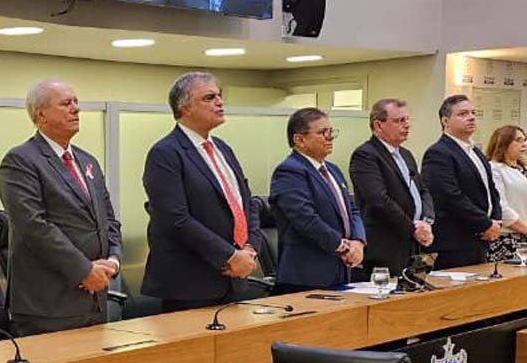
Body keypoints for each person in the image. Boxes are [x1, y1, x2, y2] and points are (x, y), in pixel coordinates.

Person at [0, 80, 121, 336]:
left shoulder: (87, 161)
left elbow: (107, 218)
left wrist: (113, 260)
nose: (75, 109)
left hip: (95, 297)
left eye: (76, 102)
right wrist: (83, 270)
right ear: (40, 114)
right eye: (66, 103)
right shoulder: (21, 160)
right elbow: (33, 226)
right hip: (48, 304)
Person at [141, 72, 261, 311]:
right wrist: (229, 256)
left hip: (234, 279)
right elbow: (175, 219)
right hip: (190, 283)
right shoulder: (165, 153)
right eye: (209, 97)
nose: (219, 102)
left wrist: (249, 248)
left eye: (219, 95)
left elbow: (246, 204)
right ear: (184, 107)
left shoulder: (223, 149)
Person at [270, 108, 366, 293]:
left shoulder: (333, 170)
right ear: (299, 140)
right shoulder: (289, 171)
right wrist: (342, 247)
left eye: (331, 131)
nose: (330, 137)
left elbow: (352, 210)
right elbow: (305, 218)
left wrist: (358, 242)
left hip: (340, 270)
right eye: (323, 133)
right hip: (306, 276)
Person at [349, 99, 434, 279]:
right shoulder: (366, 155)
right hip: (385, 245)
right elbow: (378, 199)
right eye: (399, 121)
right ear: (378, 125)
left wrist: (426, 221)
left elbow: (423, 191)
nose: (406, 125)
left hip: (412, 244)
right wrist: (412, 228)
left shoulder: (405, 154)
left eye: (407, 120)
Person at [422, 95, 502, 270]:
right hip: (455, 242)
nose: (471, 117)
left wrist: (496, 221)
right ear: (445, 121)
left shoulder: (476, 152)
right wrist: (485, 224)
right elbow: (449, 196)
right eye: (463, 114)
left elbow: (491, 191)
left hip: (481, 239)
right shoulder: (439, 153)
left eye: (473, 113)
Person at [485, 125, 527, 258]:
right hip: (509, 237)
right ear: (504, 143)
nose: (524, 144)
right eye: (518, 140)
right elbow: (501, 206)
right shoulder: (495, 169)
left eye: (525, 140)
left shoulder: (521, 169)